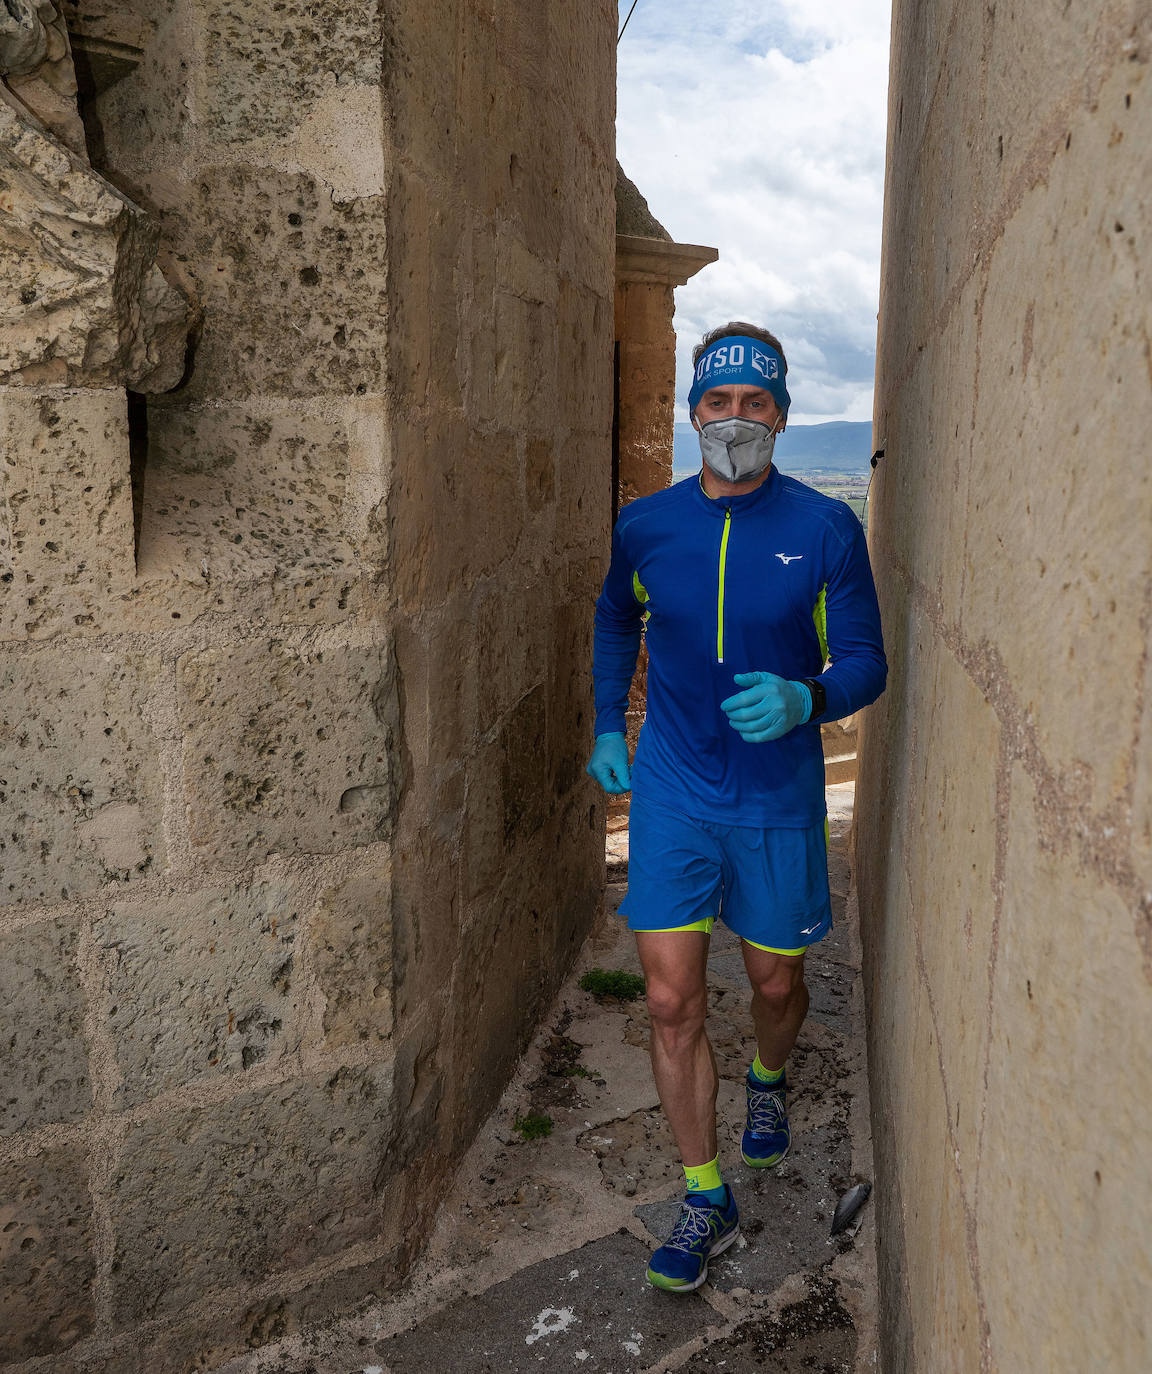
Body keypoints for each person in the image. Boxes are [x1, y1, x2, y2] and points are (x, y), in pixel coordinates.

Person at [587, 322, 886, 1293]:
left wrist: (813, 698)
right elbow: (615, 616)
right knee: (670, 1000)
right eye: (718, 402)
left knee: (771, 989)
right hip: (673, 790)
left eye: (756, 403)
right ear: (693, 413)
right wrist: (605, 725)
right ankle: (703, 1192)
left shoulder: (824, 528)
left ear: (785, 417)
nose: (735, 418)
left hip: (776, 799)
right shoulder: (646, 525)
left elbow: (865, 662)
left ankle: (765, 1079)